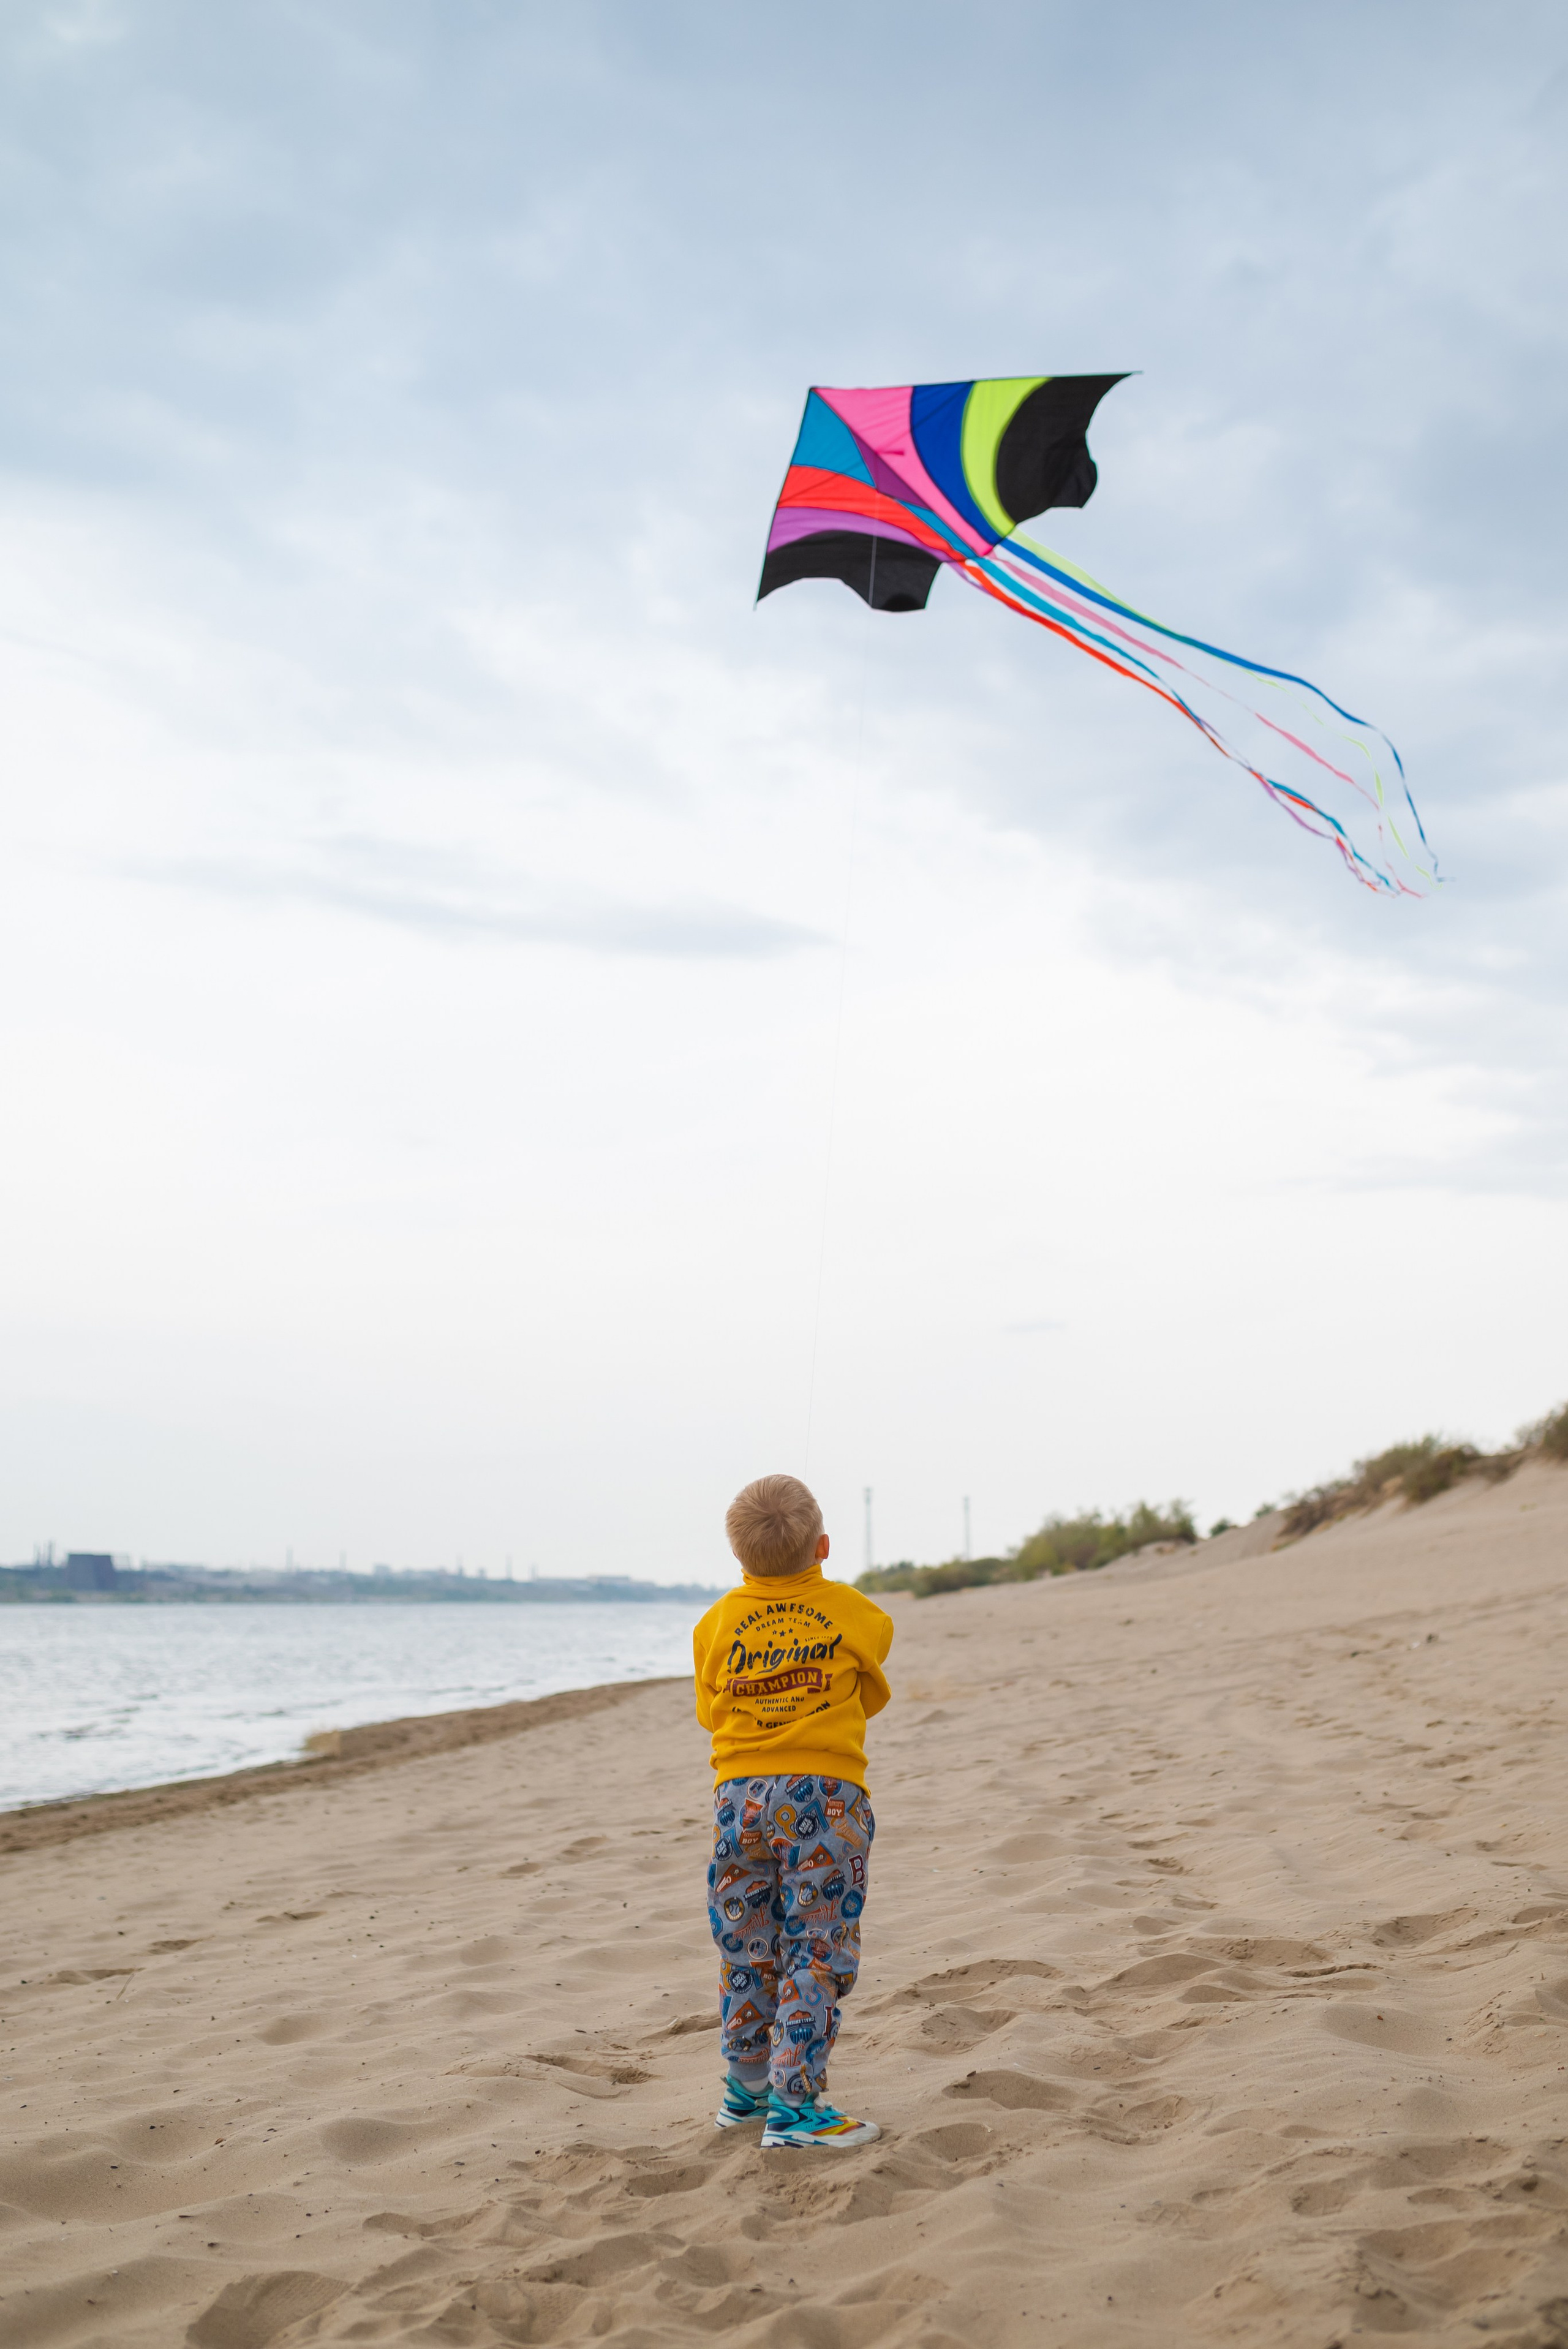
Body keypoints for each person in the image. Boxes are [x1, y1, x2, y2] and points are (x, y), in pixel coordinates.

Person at [693, 1472, 894, 2149]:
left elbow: (709, 1711)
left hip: (738, 1799)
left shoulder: (714, 1624)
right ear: (824, 1547)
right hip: (824, 1797)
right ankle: (794, 2106)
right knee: (816, 1944)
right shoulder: (853, 1611)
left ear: (737, 1556)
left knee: (745, 1941)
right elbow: (872, 1684)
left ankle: (746, 2089)